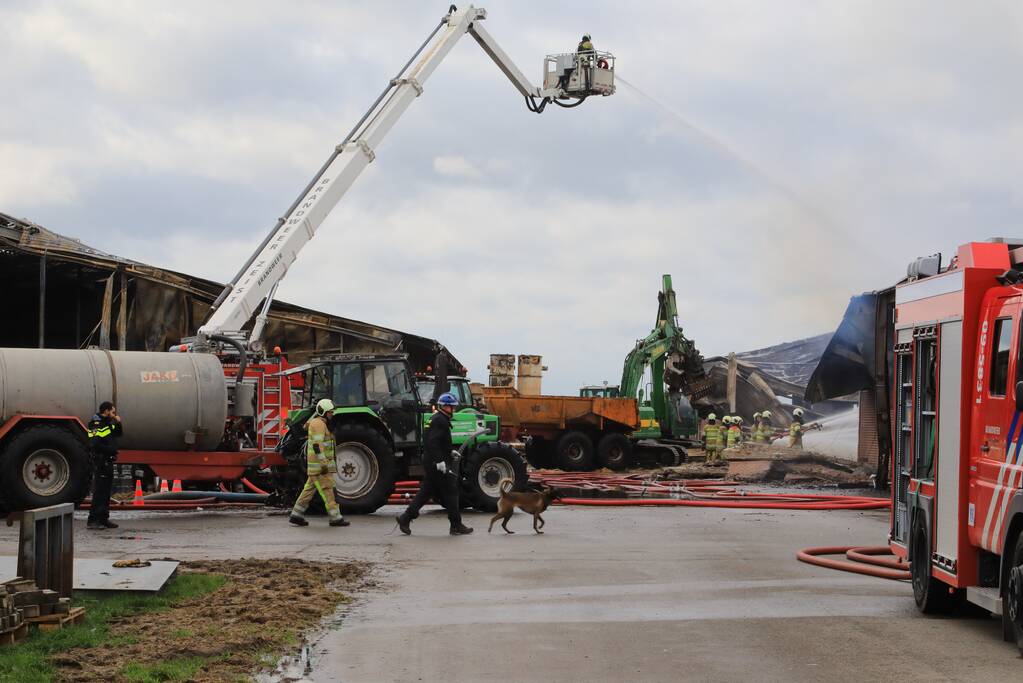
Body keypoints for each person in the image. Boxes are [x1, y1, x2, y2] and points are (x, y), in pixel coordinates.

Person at [397, 393, 473, 535]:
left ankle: (405, 518)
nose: (454, 410)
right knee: (451, 492)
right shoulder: (440, 421)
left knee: (425, 492)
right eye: (452, 407)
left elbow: (436, 442)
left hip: (432, 461)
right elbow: (432, 443)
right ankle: (456, 525)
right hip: (436, 463)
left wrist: (449, 452)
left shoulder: (436, 418)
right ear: (445, 406)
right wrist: (440, 461)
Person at [289, 399, 349, 528]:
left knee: (308, 490)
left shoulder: (320, 423)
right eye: (330, 412)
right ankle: (335, 518)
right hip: (320, 467)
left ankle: (296, 515)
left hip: (317, 467)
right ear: (323, 412)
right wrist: (324, 463)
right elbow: (317, 444)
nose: (332, 415)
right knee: (328, 491)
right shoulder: (318, 424)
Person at [87, 401, 122, 530]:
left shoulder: (107, 423)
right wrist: (110, 450)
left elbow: (118, 433)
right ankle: (93, 520)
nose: (114, 414)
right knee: (100, 491)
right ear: (106, 411)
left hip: (108, 461)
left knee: (106, 492)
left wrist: (117, 422)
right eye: (112, 411)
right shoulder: (96, 424)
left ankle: (103, 518)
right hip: (101, 461)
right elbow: (94, 444)